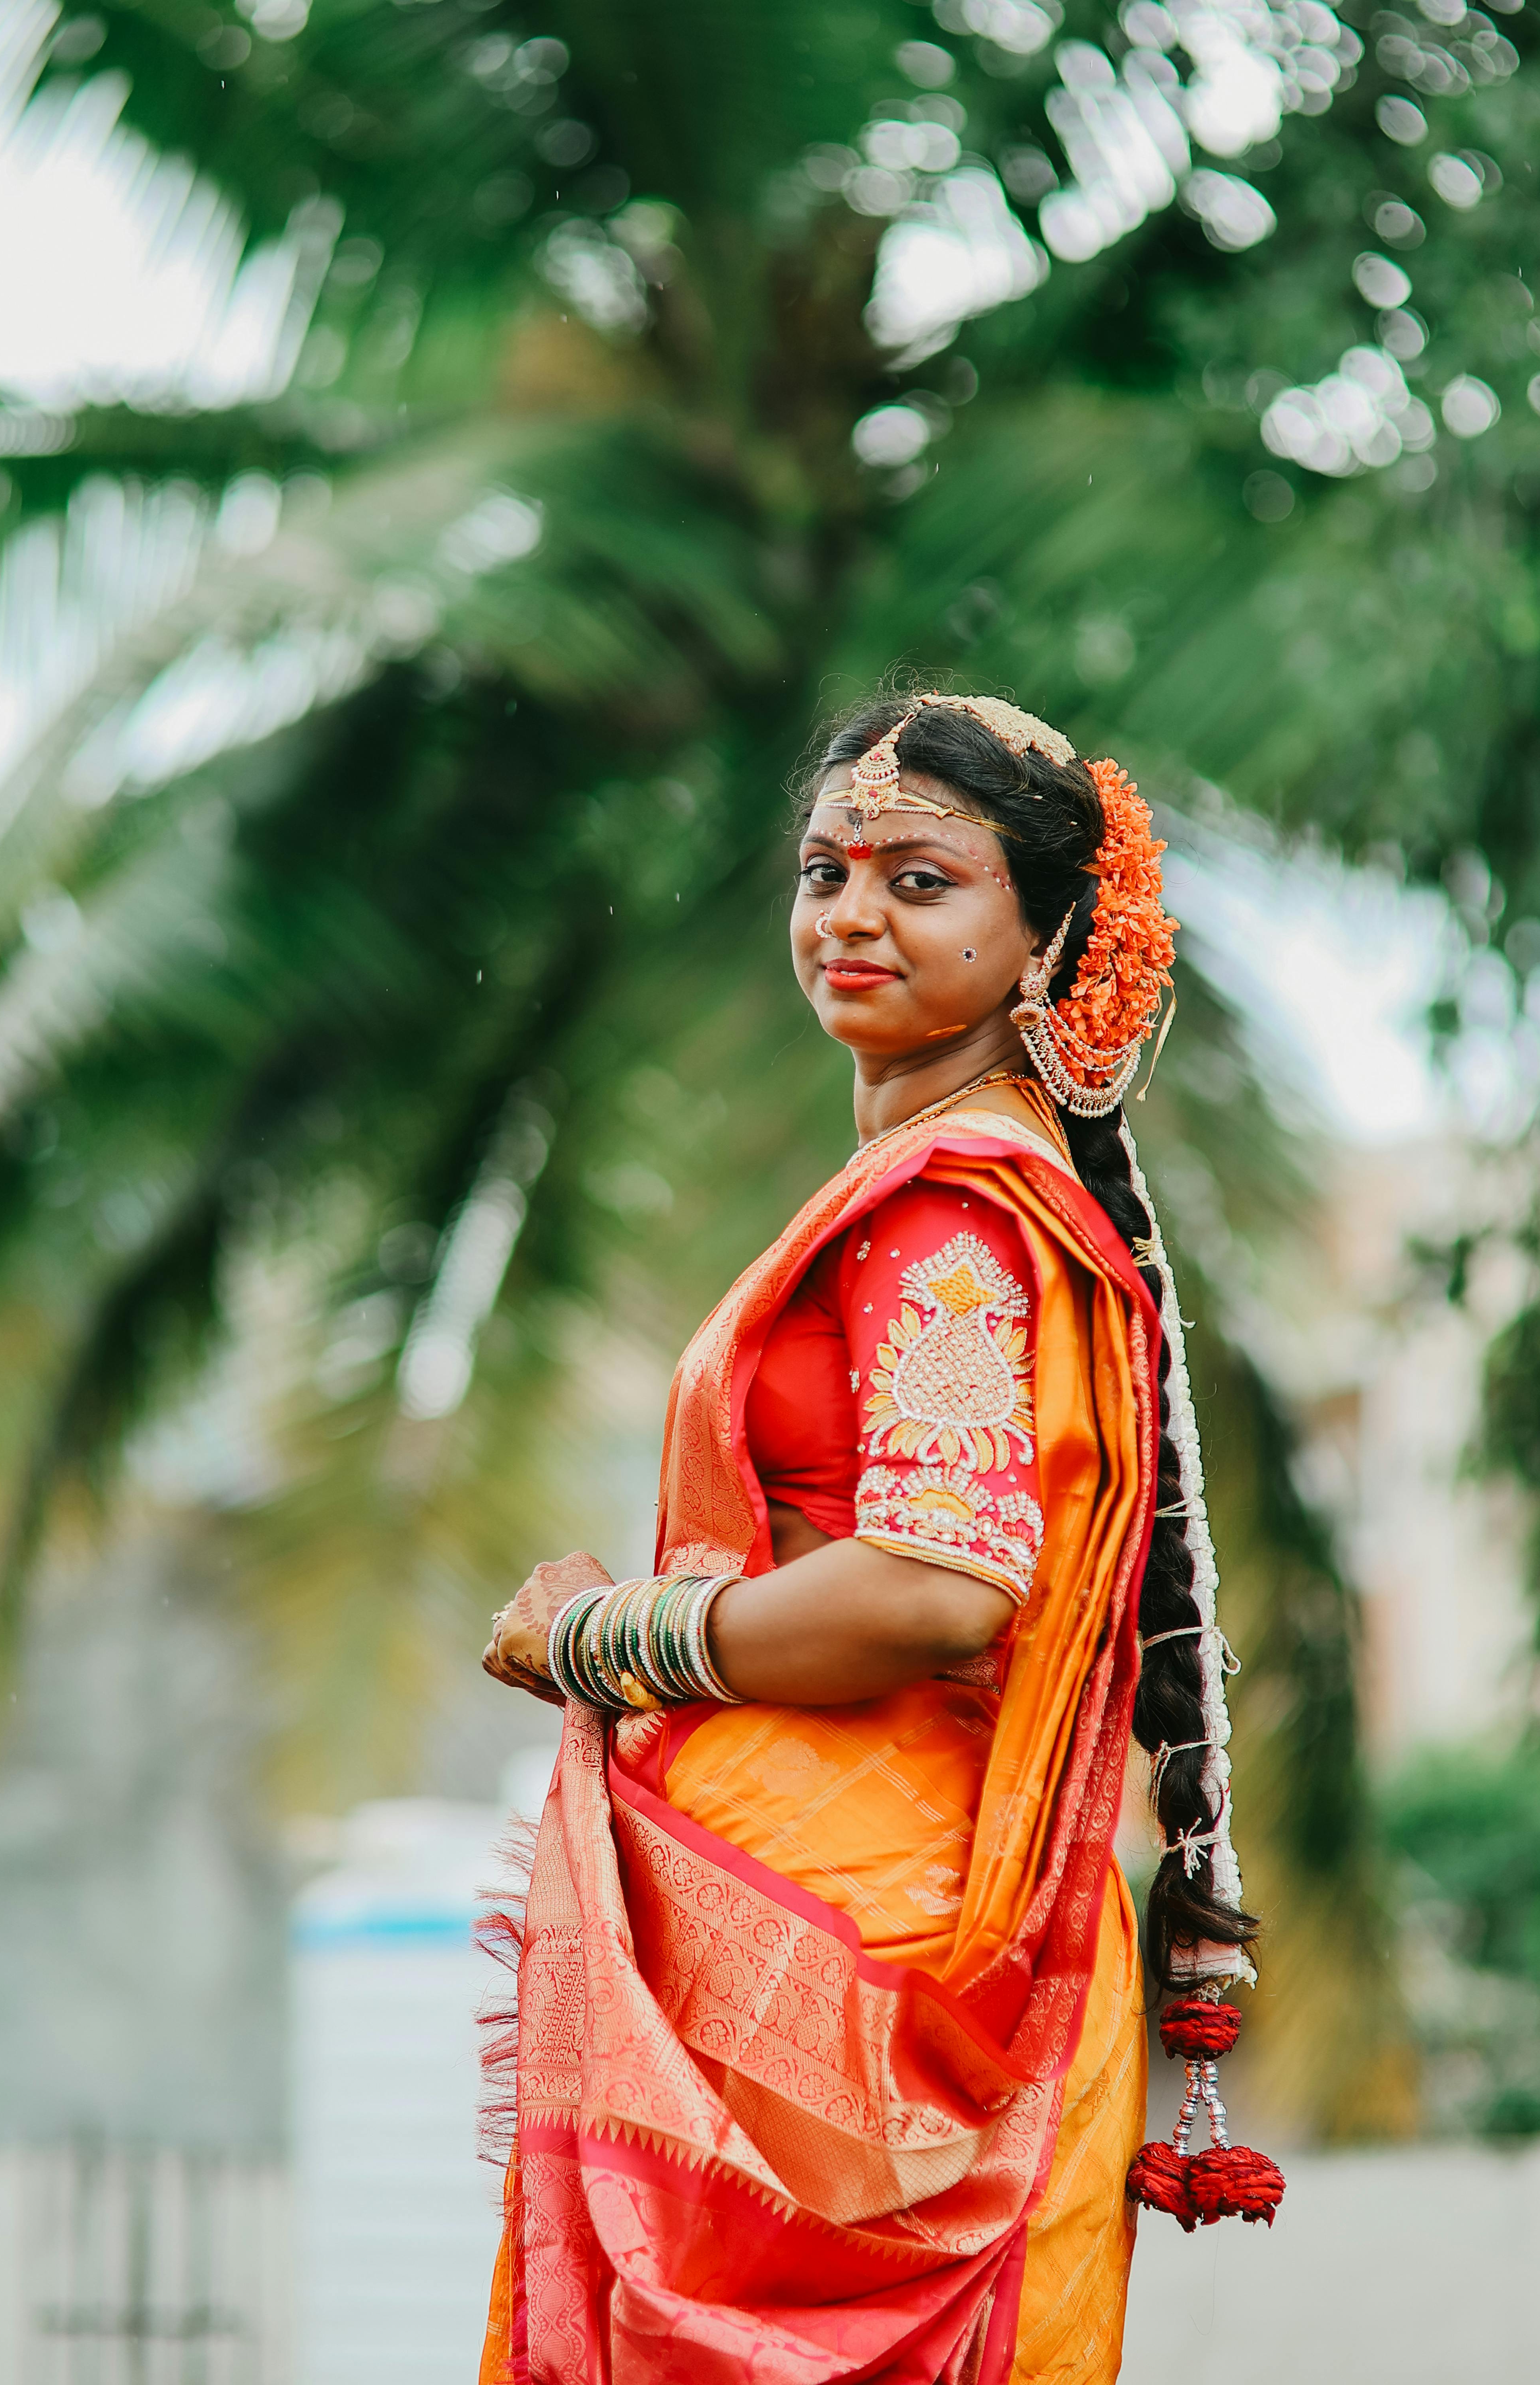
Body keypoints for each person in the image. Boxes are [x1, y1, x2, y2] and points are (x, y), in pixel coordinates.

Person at [478, 691, 1260, 2385]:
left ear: (1048, 938)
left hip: (866, 1972)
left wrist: (605, 1643)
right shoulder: (969, 1185)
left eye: (921, 881)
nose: (848, 914)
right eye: (827, 869)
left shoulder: (951, 1213)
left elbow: (935, 1583)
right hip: (847, 1929)